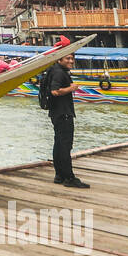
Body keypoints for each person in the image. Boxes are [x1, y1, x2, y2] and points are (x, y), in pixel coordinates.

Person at [47, 52, 89, 188]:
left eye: (72, 58)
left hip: (56, 113)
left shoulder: (55, 70)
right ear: (60, 59)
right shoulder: (60, 73)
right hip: (63, 113)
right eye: (68, 58)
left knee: (59, 144)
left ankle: (59, 175)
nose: (71, 61)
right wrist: (71, 88)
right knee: (65, 145)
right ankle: (69, 178)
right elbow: (55, 91)